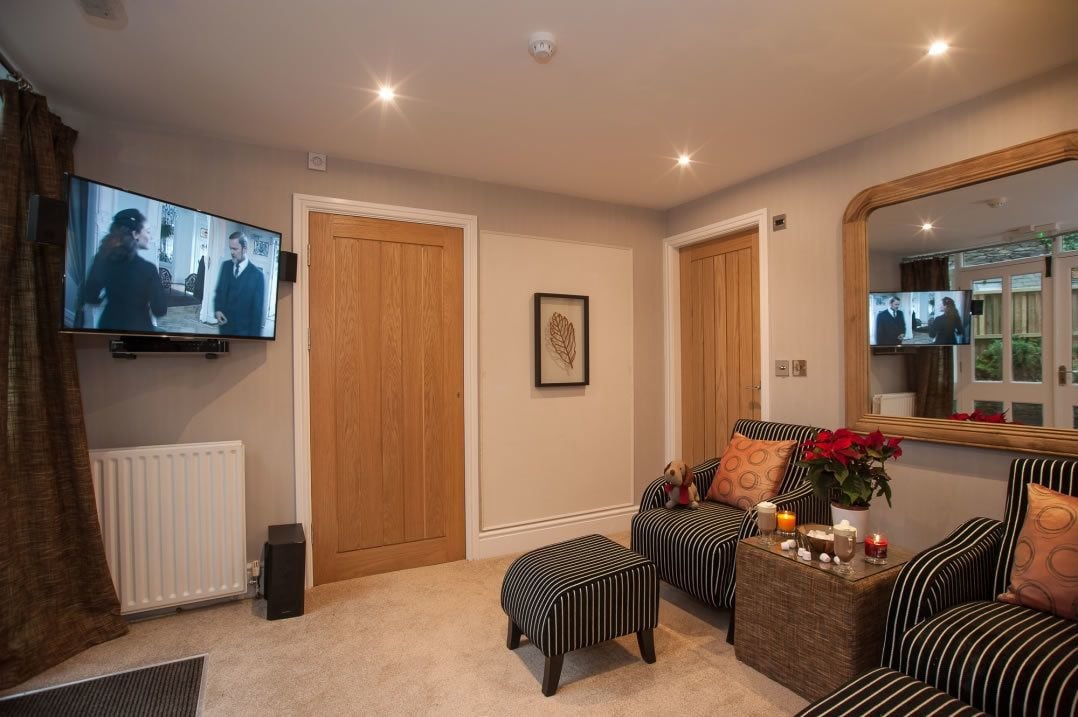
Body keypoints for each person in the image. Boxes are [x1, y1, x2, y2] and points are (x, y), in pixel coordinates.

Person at [81, 208, 167, 332]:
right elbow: (160, 310)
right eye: (148, 231)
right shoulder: (148, 269)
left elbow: (90, 296)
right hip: (139, 332)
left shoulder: (101, 258)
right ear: (135, 234)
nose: (150, 236)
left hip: (107, 328)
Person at [214, 231, 265, 337]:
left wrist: (253, 340)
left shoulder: (258, 276)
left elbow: (257, 314)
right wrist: (218, 310)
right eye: (230, 248)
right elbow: (219, 293)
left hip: (243, 333)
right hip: (224, 329)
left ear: (244, 249)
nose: (232, 252)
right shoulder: (225, 266)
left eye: (235, 249)